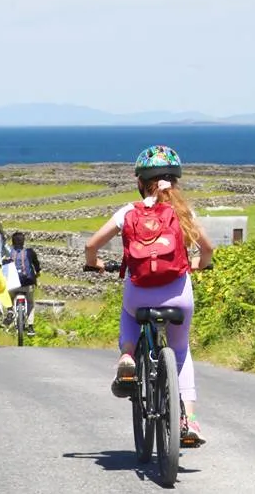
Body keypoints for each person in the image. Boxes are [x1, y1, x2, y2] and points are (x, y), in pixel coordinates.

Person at [85, 145, 213, 445]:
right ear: (175, 181)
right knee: (180, 351)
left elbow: (91, 246)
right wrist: (198, 264)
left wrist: (95, 264)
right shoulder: (182, 212)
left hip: (139, 296)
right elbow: (207, 250)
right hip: (178, 297)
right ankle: (189, 421)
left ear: (140, 182)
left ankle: (128, 355)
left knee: (129, 314)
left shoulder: (129, 212)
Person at [7, 231, 42, 337]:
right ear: (23, 242)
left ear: (12, 242)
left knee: (8, 299)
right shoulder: (29, 252)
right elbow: (36, 265)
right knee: (30, 302)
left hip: (12, 284)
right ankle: (31, 326)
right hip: (28, 283)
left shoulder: (8, 251)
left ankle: (10, 312)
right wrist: (37, 274)